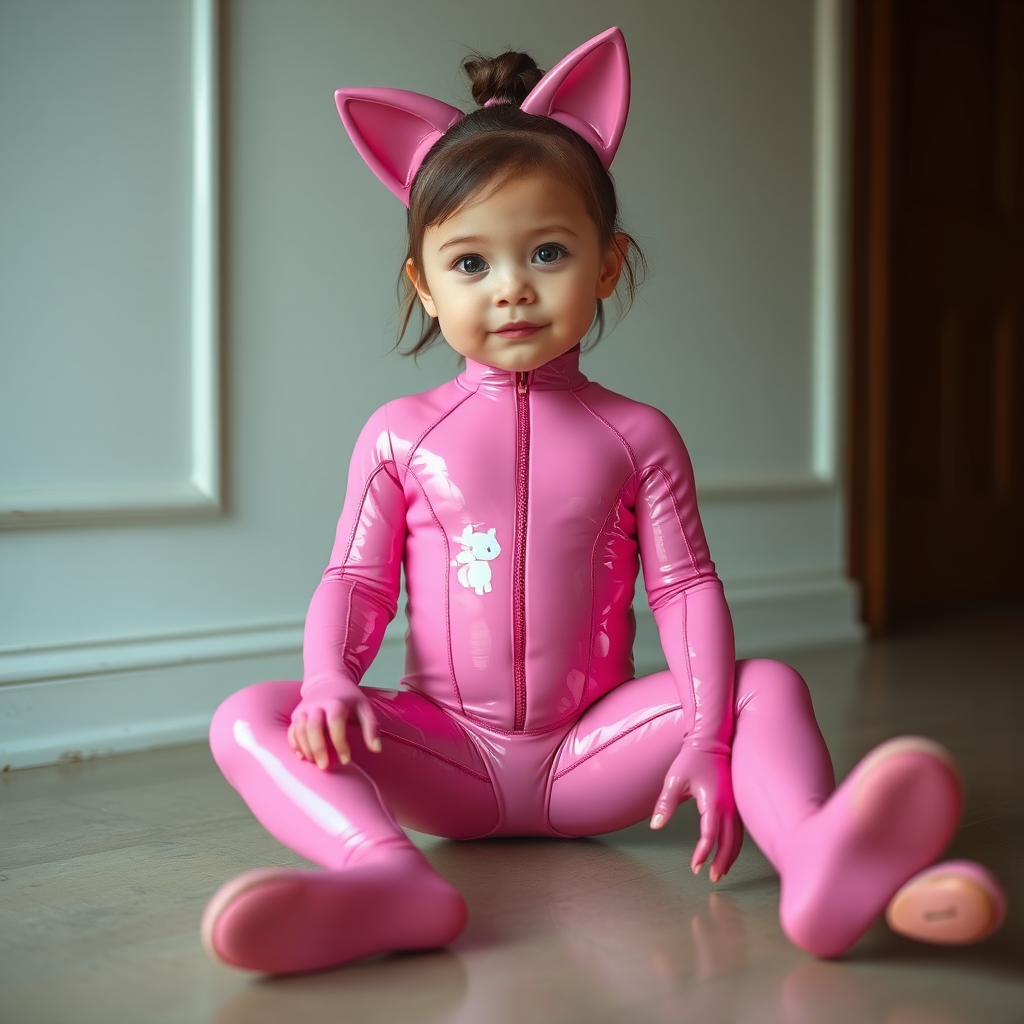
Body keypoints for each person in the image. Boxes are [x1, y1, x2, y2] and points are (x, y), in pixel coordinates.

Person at [201, 28, 1005, 975]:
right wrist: (333, 682)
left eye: (547, 253)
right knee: (251, 711)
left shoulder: (638, 435)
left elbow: (685, 589)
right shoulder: (398, 432)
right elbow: (355, 581)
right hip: (446, 760)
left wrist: (705, 733)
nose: (511, 291)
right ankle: (386, 877)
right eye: (471, 265)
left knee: (766, 689)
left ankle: (820, 858)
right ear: (423, 280)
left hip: (594, 759)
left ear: (607, 265)